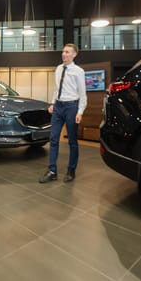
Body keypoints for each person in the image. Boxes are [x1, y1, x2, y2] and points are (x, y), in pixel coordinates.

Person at [39, 43, 87, 183]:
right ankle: (52, 171)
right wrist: (53, 103)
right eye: (63, 52)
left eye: (67, 52)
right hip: (58, 107)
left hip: (72, 107)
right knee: (53, 139)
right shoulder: (58, 69)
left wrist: (80, 111)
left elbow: (82, 94)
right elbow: (56, 88)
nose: (64, 54)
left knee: (72, 141)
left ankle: (71, 170)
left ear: (74, 54)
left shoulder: (79, 71)